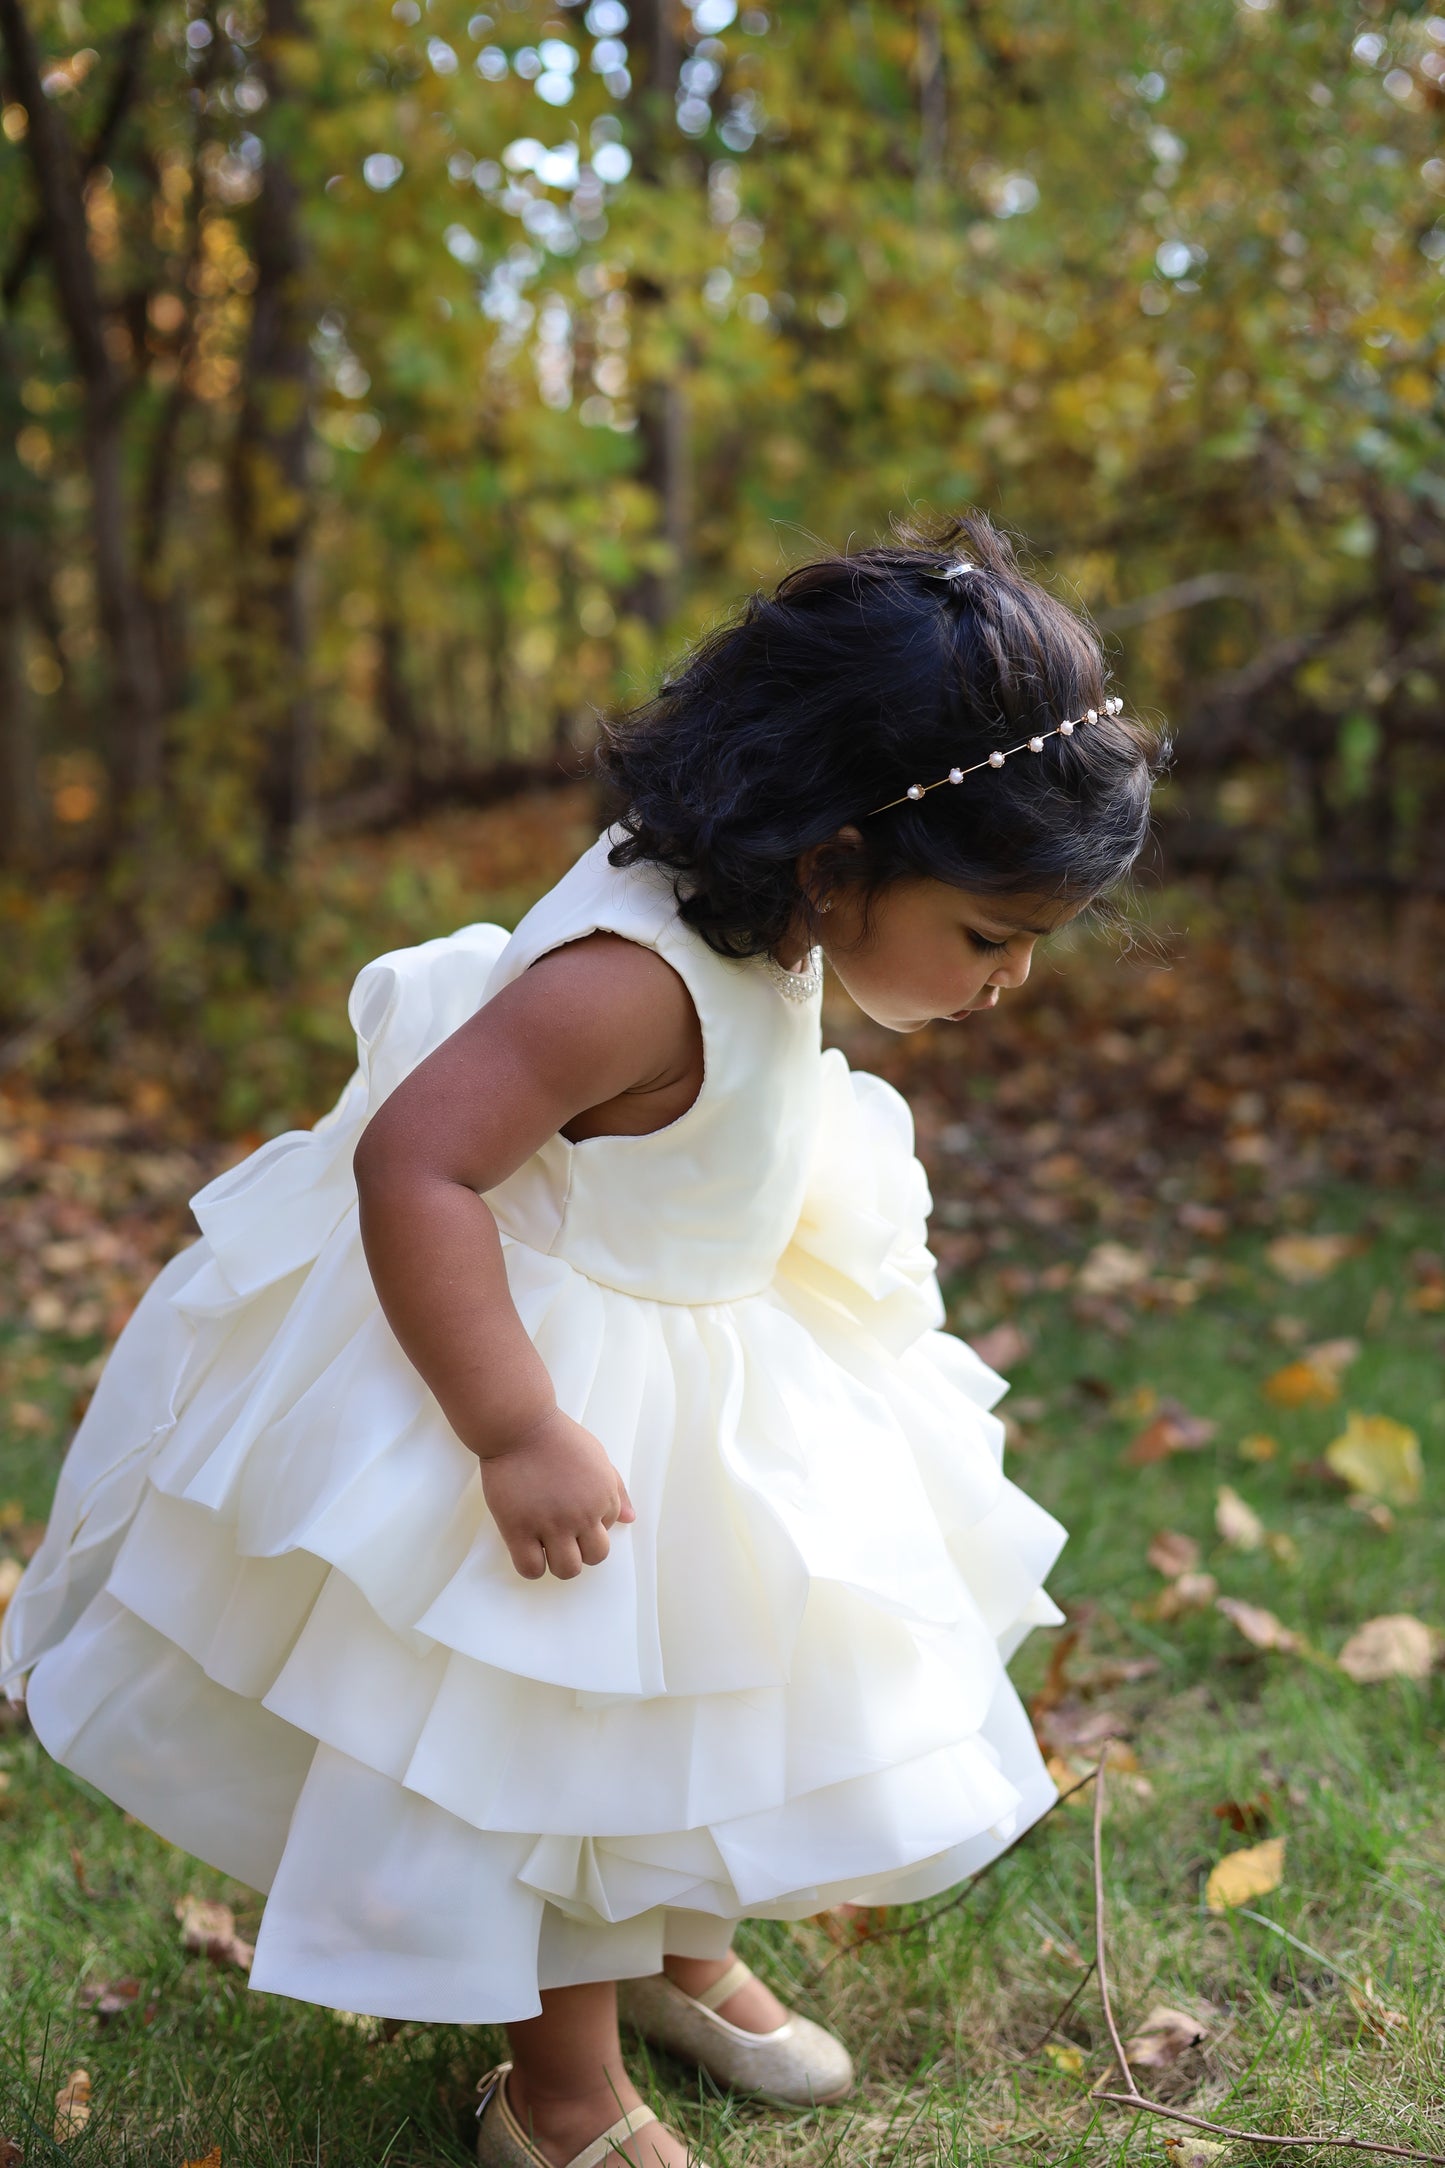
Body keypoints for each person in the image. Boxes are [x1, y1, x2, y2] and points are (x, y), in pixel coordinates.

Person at [3, 512, 1163, 2168]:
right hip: (553, 1373)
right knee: (561, 1737)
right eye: (989, 936)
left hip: (700, 1349)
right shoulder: (626, 981)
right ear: (836, 855)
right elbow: (420, 1159)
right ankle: (555, 2092)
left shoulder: (771, 912)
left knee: (709, 1678)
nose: (1013, 981)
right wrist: (510, 1427)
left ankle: (679, 1954)